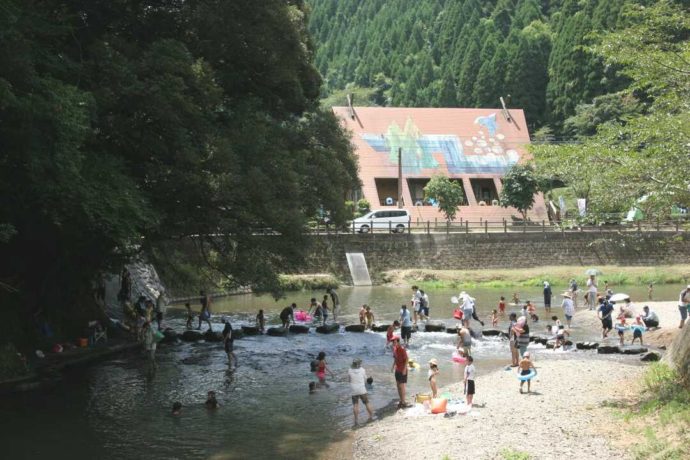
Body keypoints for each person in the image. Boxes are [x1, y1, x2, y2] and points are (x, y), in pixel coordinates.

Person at [348, 358, 374, 426]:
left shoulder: (349, 370)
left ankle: (356, 421)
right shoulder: (362, 370)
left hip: (354, 389)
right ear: (359, 364)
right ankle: (371, 416)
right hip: (362, 389)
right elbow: (365, 380)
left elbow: (349, 380)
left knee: (355, 405)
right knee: (367, 403)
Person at [391, 337, 409, 409]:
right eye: (393, 342)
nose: (393, 343)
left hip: (402, 369)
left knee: (402, 386)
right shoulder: (394, 349)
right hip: (397, 369)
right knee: (398, 386)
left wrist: (404, 369)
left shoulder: (402, 349)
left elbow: (407, 359)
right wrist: (392, 366)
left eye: (394, 342)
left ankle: (403, 402)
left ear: (398, 341)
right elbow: (395, 358)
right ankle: (401, 400)